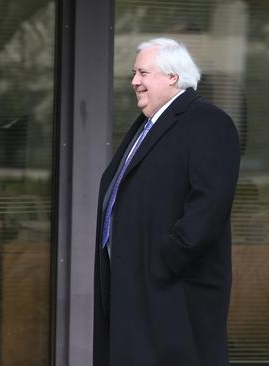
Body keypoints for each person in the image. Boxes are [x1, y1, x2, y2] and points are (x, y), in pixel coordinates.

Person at [94, 38, 241, 366]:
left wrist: (165, 258)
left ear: (173, 77)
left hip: (173, 292)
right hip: (138, 288)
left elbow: (209, 204)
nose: (134, 81)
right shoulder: (146, 125)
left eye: (142, 72)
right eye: (134, 73)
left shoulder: (208, 122)